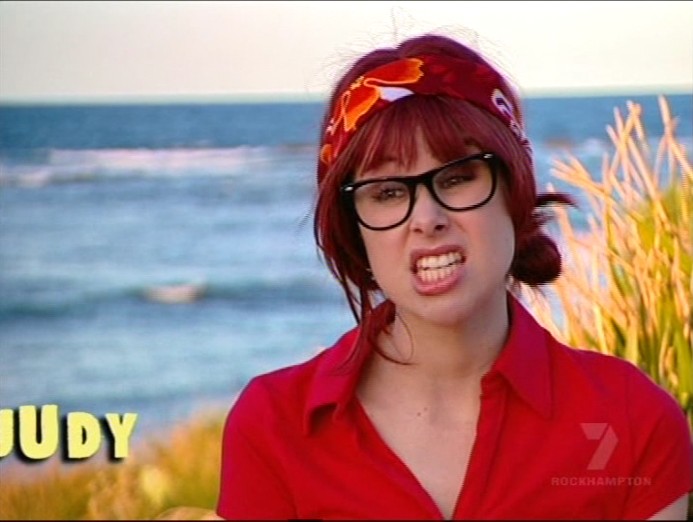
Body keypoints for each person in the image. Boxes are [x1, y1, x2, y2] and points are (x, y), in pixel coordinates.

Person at [216, 32, 692, 520]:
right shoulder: (274, 425)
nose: (427, 219)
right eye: (387, 193)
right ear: (354, 228)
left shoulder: (632, 417)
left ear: (514, 190)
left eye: (458, 177)